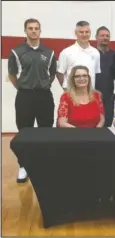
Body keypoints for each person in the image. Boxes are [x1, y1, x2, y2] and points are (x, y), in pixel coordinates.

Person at [7, 18, 57, 183]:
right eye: (30, 28)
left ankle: (43, 164)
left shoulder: (49, 52)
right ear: (25, 31)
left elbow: (52, 74)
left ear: (40, 31)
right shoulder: (16, 51)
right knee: (24, 133)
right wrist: (23, 88)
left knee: (46, 132)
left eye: (36, 28)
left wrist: (43, 85)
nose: (34, 31)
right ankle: (23, 166)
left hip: (44, 96)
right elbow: (12, 75)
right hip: (25, 96)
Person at [57, 21, 101, 91]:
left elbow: (95, 74)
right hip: (71, 94)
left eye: (87, 32)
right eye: (81, 32)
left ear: (90, 33)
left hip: (90, 95)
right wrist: (66, 89)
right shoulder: (66, 52)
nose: (84, 34)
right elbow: (59, 73)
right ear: (76, 33)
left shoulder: (95, 53)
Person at [95, 26, 115, 127]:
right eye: (102, 35)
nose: (105, 38)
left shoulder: (114, 55)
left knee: (107, 125)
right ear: (96, 37)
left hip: (108, 98)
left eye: (107, 36)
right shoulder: (91, 53)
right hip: (91, 96)